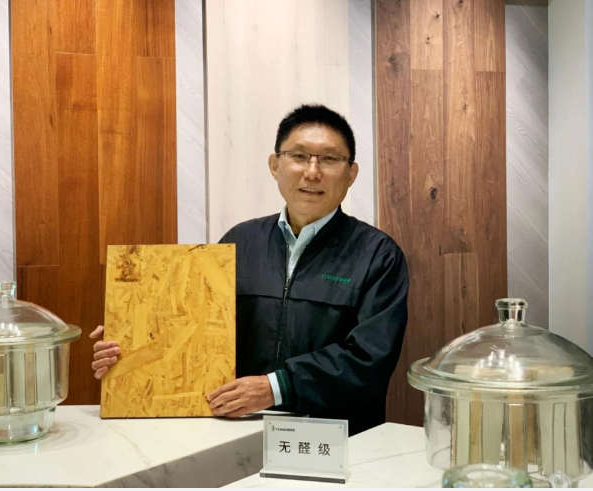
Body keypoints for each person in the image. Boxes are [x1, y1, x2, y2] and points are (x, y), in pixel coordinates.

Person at [91, 104, 408, 435]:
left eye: (329, 159)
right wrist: (131, 343)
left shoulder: (378, 255)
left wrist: (276, 387)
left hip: (337, 440)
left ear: (351, 173)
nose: (312, 172)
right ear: (275, 165)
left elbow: (370, 360)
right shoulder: (239, 242)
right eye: (299, 156)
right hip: (238, 435)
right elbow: (191, 331)